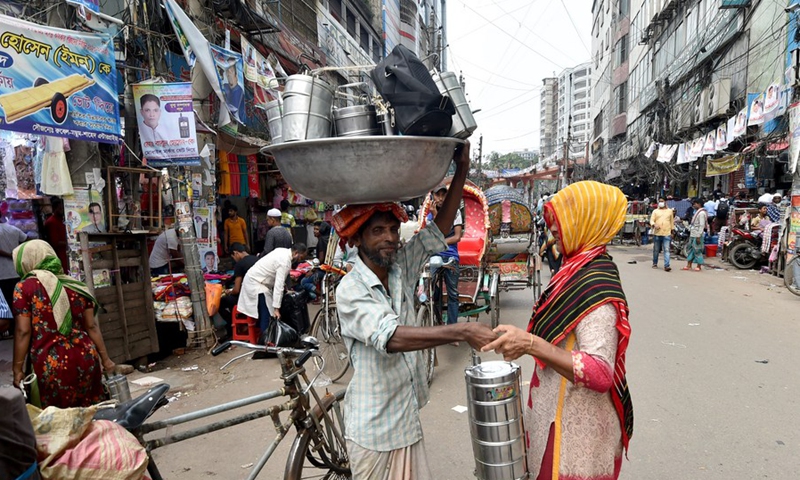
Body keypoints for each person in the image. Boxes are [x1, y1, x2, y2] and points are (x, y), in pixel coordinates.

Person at [333, 142, 496, 478]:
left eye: (393, 229)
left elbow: (439, 229)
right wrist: (462, 330)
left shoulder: (400, 268)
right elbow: (390, 337)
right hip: (374, 432)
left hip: (405, 421)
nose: (389, 238)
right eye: (378, 231)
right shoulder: (350, 289)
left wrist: (460, 169)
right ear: (358, 239)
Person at [479, 181, 634, 480]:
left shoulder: (597, 286)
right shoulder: (574, 267)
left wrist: (530, 344)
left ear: (588, 221)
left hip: (575, 428)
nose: (554, 231)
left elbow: (600, 372)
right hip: (553, 408)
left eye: (564, 221)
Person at [11, 240, 115, 409]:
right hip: (86, 359)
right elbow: (92, 327)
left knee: (57, 423)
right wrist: (106, 359)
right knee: (91, 417)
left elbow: (23, 331)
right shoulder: (75, 285)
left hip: (50, 365)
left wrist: (17, 369)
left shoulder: (25, 288)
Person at [239, 243, 307, 331]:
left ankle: (266, 338)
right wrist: (276, 309)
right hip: (255, 284)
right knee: (267, 315)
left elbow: (277, 277)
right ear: (296, 253)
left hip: (258, 282)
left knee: (267, 313)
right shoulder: (284, 261)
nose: (300, 260)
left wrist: (285, 289)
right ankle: (266, 341)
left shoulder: (282, 251)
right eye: (301, 258)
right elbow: (278, 285)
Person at [427, 184, 463, 325]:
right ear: (433, 196)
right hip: (434, 256)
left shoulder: (455, 212)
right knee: (429, 289)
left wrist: (439, 243)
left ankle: (452, 329)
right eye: (437, 195)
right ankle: (437, 320)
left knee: (452, 293)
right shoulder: (429, 215)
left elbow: (457, 237)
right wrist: (435, 215)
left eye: (443, 195)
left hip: (450, 255)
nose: (440, 198)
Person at [219, 243, 258, 338]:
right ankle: (243, 325)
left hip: (248, 298)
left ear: (236, 253)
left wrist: (229, 292)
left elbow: (236, 290)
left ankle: (232, 329)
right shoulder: (257, 259)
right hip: (259, 294)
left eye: (233, 257)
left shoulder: (240, 265)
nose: (234, 259)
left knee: (221, 302)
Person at [0, 219, 27, 316]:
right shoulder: (13, 229)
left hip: (2, 275)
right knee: (18, 302)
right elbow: (26, 240)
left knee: (6, 305)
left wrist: (8, 254)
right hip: (16, 273)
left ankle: (10, 328)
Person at [42, 196, 68, 271]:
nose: (62, 211)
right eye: (60, 208)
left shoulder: (63, 220)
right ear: (55, 208)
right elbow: (55, 242)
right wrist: (69, 243)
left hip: (65, 253)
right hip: (60, 255)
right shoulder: (51, 222)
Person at [650, 198, 674, 271]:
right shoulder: (655, 211)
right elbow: (651, 220)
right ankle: (655, 263)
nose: (661, 203)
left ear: (665, 202)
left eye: (662, 201)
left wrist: (672, 232)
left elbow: (671, 222)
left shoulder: (670, 211)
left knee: (667, 250)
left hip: (667, 233)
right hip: (657, 233)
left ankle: (667, 265)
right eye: (659, 201)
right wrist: (654, 225)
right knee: (656, 249)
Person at [683, 198, 707, 272]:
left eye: (695, 204)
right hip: (693, 233)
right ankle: (689, 265)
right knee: (690, 250)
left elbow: (702, 225)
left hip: (697, 234)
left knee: (697, 250)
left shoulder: (701, 213)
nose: (693, 205)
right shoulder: (697, 212)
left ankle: (699, 266)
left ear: (699, 204)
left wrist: (699, 236)